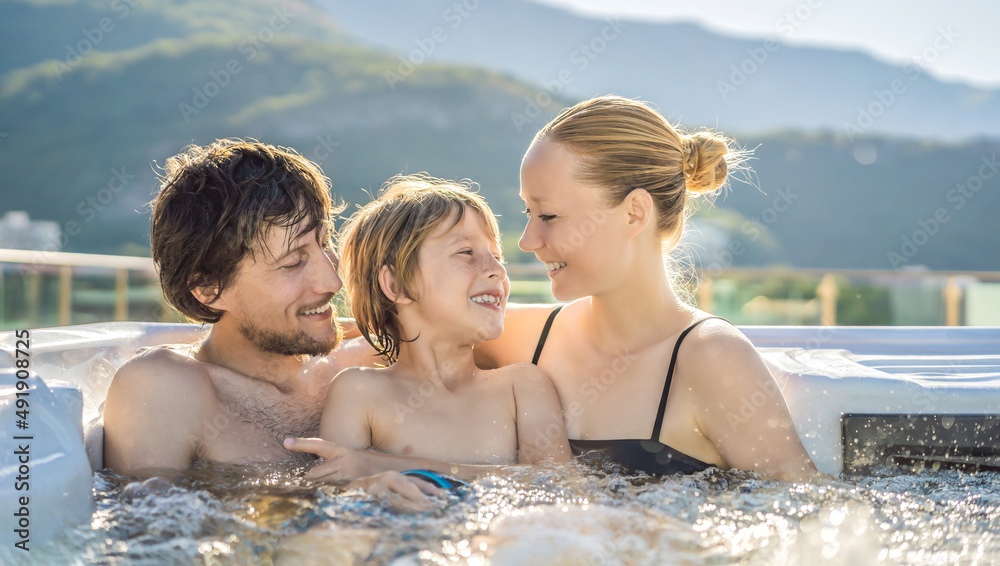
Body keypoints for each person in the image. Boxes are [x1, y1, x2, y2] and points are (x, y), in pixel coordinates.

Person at [289, 96, 817, 482]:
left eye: (549, 216)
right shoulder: (514, 337)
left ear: (634, 213)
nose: (527, 241)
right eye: (526, 213)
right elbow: (385, 335)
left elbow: (809, 511)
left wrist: (392, 466)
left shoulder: (710, 358)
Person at [102, 140, 437, 504]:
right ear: (207, 287)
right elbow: (149, 543)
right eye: (293, 262)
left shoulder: (373, 357)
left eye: (324, 244)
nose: (332, 282)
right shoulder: (165, 389)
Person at [319, 175, 570, 471]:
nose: (498, 270)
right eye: (466, 252)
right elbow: (336, 496)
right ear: (397, 285)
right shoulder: (359, 392)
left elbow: (560, 487)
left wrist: (383, 466)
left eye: (496, 255)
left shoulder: (521, 388)